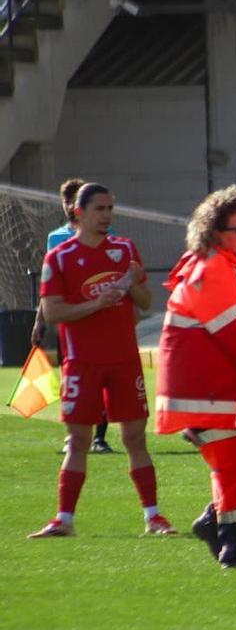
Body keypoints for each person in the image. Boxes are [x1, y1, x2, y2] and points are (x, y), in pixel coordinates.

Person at [29, 183, 176, 539]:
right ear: (78, 212)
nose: (107, 215)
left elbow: (144, 300)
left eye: (111, 208)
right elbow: (51, 312)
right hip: (82, 362)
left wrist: (131, 283)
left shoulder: (124, 249)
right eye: (100, 209)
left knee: (135, 439)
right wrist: (97, 303)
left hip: (124, 360)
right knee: (78, 440)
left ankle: (154, 517)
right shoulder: (59, 257)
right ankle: (64, 519)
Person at [156, 187, 236, 568]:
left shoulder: (235, 267)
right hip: (209, 395)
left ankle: (215, 523)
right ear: (214, 233)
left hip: (229, 393)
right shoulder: (213, 272)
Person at [32, 178, 115, 456]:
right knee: (72, 379)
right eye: (65, 200)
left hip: (99, 319)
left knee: (102, 377)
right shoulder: (55, 238)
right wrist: (40, 321)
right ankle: (74, 436)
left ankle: (100, 437)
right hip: (69, 320)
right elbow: (49, 287)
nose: (67, 205)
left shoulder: (107, 234)